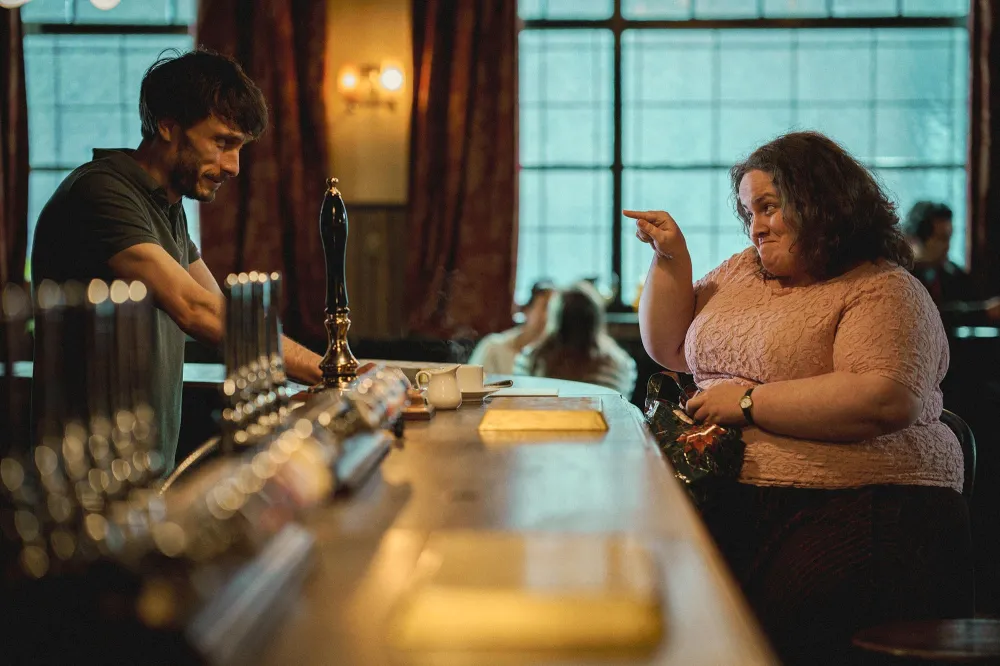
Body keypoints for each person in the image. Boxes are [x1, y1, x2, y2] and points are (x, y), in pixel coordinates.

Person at [626, 131, 972, 665]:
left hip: (862, 501)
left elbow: (884, 398)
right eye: (748, 211)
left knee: (773, 625)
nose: (756, 225)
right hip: (735, 491)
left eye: (769, 207)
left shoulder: (883, 288)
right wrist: (671, 258)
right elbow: (670, 348)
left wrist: (746, 405)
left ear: (821, 203)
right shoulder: (742, 271)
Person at [31, 49, 323, 471]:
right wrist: (327, 370)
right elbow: (195, 308)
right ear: (167, 125)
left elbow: (228, 313)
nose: (234, 167)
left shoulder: (166, 205)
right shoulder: (101, 192)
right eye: (222, 142)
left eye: (239, 147)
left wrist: (313, 374)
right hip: (87, 481)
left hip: (142, 472)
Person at [513, 281, 637, 397]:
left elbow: (525, 402)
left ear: (554, 319)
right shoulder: (620, 364)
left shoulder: (529, 360)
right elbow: (619, 407)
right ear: (596, 319)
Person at [903, 200, 1000, 328]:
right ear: (915, 239)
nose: (948, 246)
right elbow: (924, 316)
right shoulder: (902, 277)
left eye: (949, 238)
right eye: (941, 238)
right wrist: (982, 312)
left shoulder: (954, 274)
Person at [467, 280, 554, 375]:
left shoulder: (550, 358)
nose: (549, 316)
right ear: (526, 310)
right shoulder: (493, 347)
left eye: (554, 309)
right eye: (545, 307)